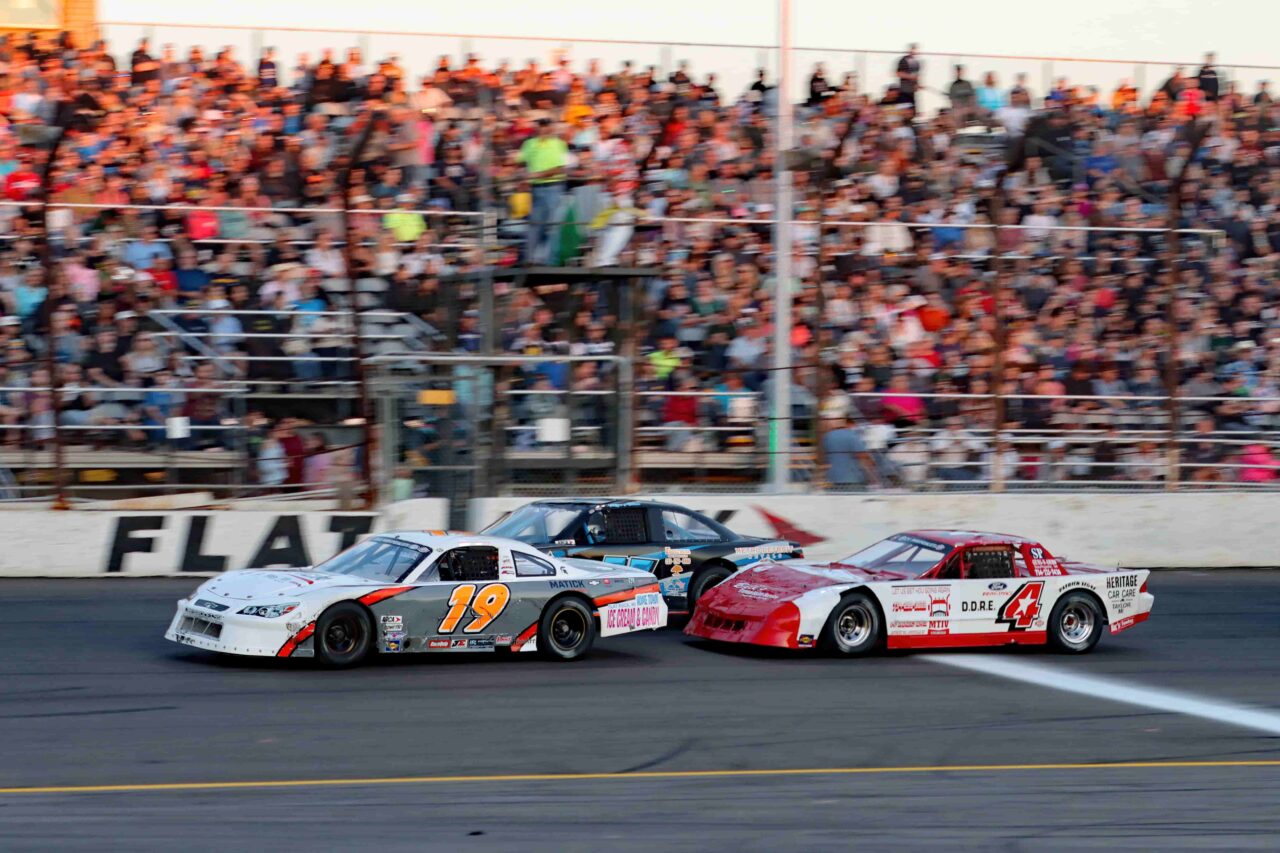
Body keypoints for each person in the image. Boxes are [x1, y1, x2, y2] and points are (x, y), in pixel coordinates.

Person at [517, 118, 569, 265]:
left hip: (554, 188)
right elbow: (521, 162)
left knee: (552, 225)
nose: (544, 129)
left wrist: (536, 175)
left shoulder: (559, 144)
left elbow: (560, 168)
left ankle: (549, 261)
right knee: (535, 225)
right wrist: (523, 178)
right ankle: (530, 259)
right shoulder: (529, 144)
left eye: (546, 126)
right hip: (536, 189)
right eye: (541, 126)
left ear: (551, 128)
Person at [822, 416, 879, 489]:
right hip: (852, 478)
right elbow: (862, 455)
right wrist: (873, 471)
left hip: (833, 478)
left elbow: (825, 457)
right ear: (851, 424)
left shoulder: (828, 436)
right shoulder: (852, 435)